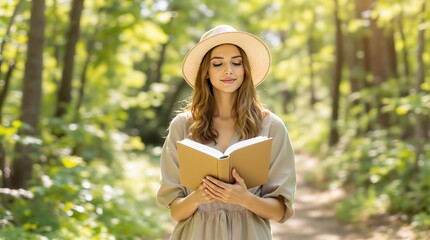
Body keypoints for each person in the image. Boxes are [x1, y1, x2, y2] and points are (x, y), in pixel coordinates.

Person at [157, 24, 296, 240]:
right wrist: (197, 197)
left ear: (245, 70)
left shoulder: (271, 127)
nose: (228, 70)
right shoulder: (182, 127)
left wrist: (244, 198)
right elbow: (176, 212)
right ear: (206, 72)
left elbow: (279, 211)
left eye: (236, 63)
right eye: (218, 63)